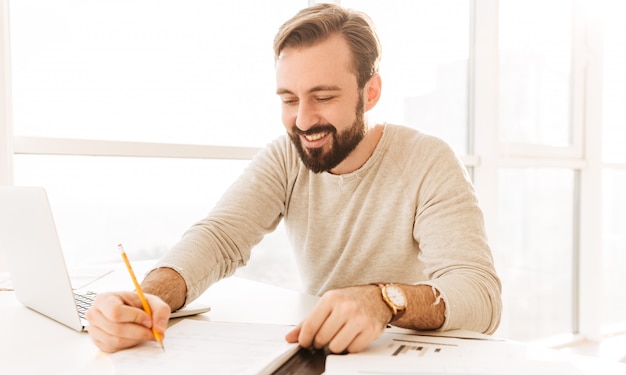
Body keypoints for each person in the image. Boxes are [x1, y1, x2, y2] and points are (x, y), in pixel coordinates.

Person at [86, 3, 502, 354]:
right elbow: (219, 237)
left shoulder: (427, 160)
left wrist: (383, 300)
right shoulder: (287, 157)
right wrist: (150, 297)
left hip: (409, 362)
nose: (303, 120)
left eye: (323, 97)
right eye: (289, 99)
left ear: (370, 92)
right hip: (319, 356)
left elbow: (480, 295)